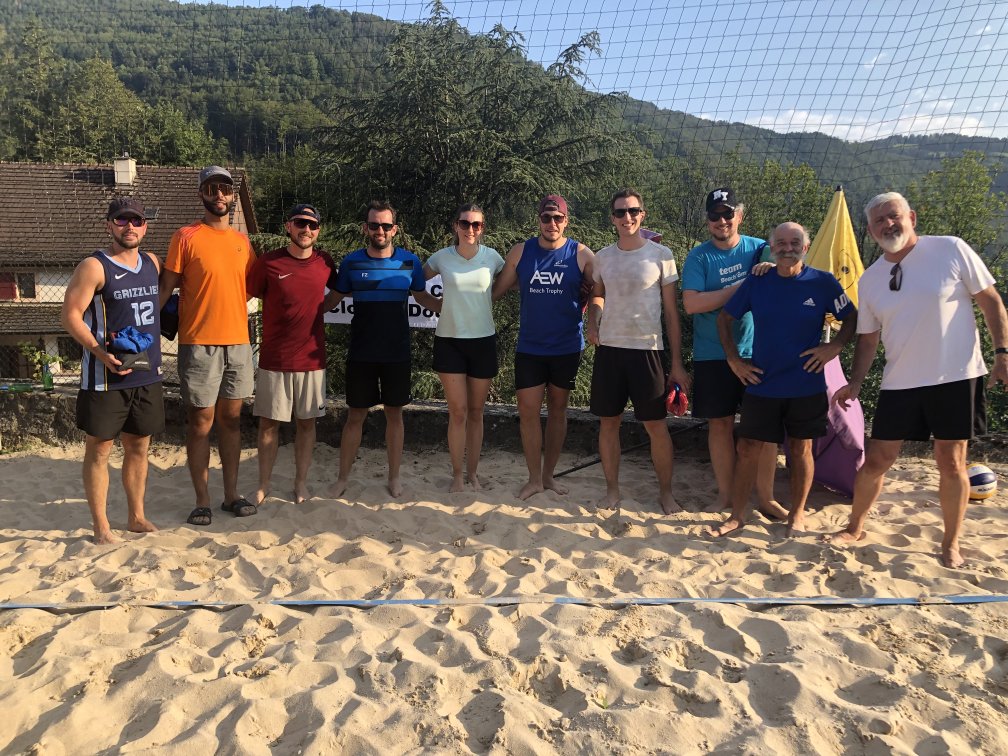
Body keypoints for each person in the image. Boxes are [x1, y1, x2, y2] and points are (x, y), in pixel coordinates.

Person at [827, 192, 1008, 568]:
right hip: (900, 381)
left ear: (911, 217)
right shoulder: (870, 278)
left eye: (893, 216)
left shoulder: (950, 249)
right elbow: (868, 338)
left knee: (951, 462)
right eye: (879, 221)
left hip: (956, 376)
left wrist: (1003, 353)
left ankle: (951, 543)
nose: (887, 224)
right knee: (877, 459)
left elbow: (991, 300)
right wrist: (856, 381)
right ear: (870, 230)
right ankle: (855, 527)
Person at [709, 222, 857, 537]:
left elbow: (852, 318)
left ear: (806, 247)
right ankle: (737, 516)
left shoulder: (823, 282)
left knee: (801, 450)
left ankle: (797, 516)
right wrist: (734, 360)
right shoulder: (758, 280)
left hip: (806, 383)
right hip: (763, 383)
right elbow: (724, 318)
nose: (788, 248)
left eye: (795, 243)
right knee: (748, 448)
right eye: (781, 243)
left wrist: (834, 346)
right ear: (772, 247)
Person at [61, 197, 163, 544]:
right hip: (105, 376)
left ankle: (136, 516)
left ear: (145, 227)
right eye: (121, 220)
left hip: (146, 372)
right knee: (100, 450)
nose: (129, 226)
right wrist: (99, 351)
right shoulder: (94, 266)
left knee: (139, 447)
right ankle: (101, 526)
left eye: (136, 220)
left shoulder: (152, 263)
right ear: (109, 225)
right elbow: (70, 315)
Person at [682, 187, 787, 519]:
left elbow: (785, 272)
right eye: (715, 215)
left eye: (728, 213)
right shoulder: (698, 257)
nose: (722, 221)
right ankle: (726, 496)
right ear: (707, 220)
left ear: (740, 215)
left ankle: (766, 497)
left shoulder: (760, 248)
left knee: (765, 429)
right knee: (720, 425)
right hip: (712, 353)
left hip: (759, 352)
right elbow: (692, 304)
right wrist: (743, 288)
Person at [159, 166, 256, 526]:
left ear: (232, 195)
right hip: (198, 342)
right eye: (212, 188)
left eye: (225, 189)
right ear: (201, 193)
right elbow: (166, 287)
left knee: (231, 420)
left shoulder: (243, 242)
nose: (219, 195)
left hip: (238, 343)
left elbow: (251, 287)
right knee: (201, 421)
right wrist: (144, 327)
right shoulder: (185, 237)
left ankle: (231, 495)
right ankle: (202, 500)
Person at [325, 200, 440, 498]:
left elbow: (423, 298)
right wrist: (301, 315)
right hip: (361, 352)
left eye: (386, 226)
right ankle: (342, 479)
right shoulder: (351, 262)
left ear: (395, 230)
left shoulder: (410, 262)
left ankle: (394, 478)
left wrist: (455, 307)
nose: (380, 230)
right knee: (355, 417)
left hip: (396, 353)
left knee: (394, 416)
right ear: (365, 228)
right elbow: (332, 300)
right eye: (374, 225)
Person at [586, 188, 690, 514]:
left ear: (642, 214)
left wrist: (676, 363)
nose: (627, 217)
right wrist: (593, 322)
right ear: (612, 218)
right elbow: (597, 295)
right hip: (610, 349)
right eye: (620, 212)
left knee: (656, 426)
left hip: (648, 350)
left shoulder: (662, 255)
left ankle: (666, 494)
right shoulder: (603, 257)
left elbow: (671, 312)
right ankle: (612, 492)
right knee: (609, 424)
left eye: (632, 211)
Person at [492, 194, 594, 499]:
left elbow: (602, 288)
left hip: (567, 346)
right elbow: (496, 291)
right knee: (528, 413)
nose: (552, 223)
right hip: (530, 347)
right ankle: (534, 479)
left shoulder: (582, 254)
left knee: (558, 412)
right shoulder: (521, 251)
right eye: (546, 218)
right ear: (539, 220)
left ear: (566, 221)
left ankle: (548, 476)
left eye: (557, 218)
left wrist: (594, 316)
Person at [247, 204, 337, 506]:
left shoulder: (325, 262)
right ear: (289, 226)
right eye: (300, 223)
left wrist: (320, 310)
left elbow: (338, 291)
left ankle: (300, 484)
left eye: (312, 225)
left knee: (307, 424)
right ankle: (263, 485)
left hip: (312, 360)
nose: (306, 229)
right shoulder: (268, 262)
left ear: (318, 230)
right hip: (275, 359)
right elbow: (246, 295)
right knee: (268, 425)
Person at [423, 204, 505, 492]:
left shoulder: (492, 257)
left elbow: (510, 283)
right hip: (450, 342)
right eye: (465, 223)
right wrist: (439, 307)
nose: (470, 229)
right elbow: (416, 285)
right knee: (457, 412)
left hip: (483, 341)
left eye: (476, 224)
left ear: (483, 228)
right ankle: (458, 476)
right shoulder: (441, 257)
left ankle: (473, 474)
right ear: (455, 225)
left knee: (476, 412)